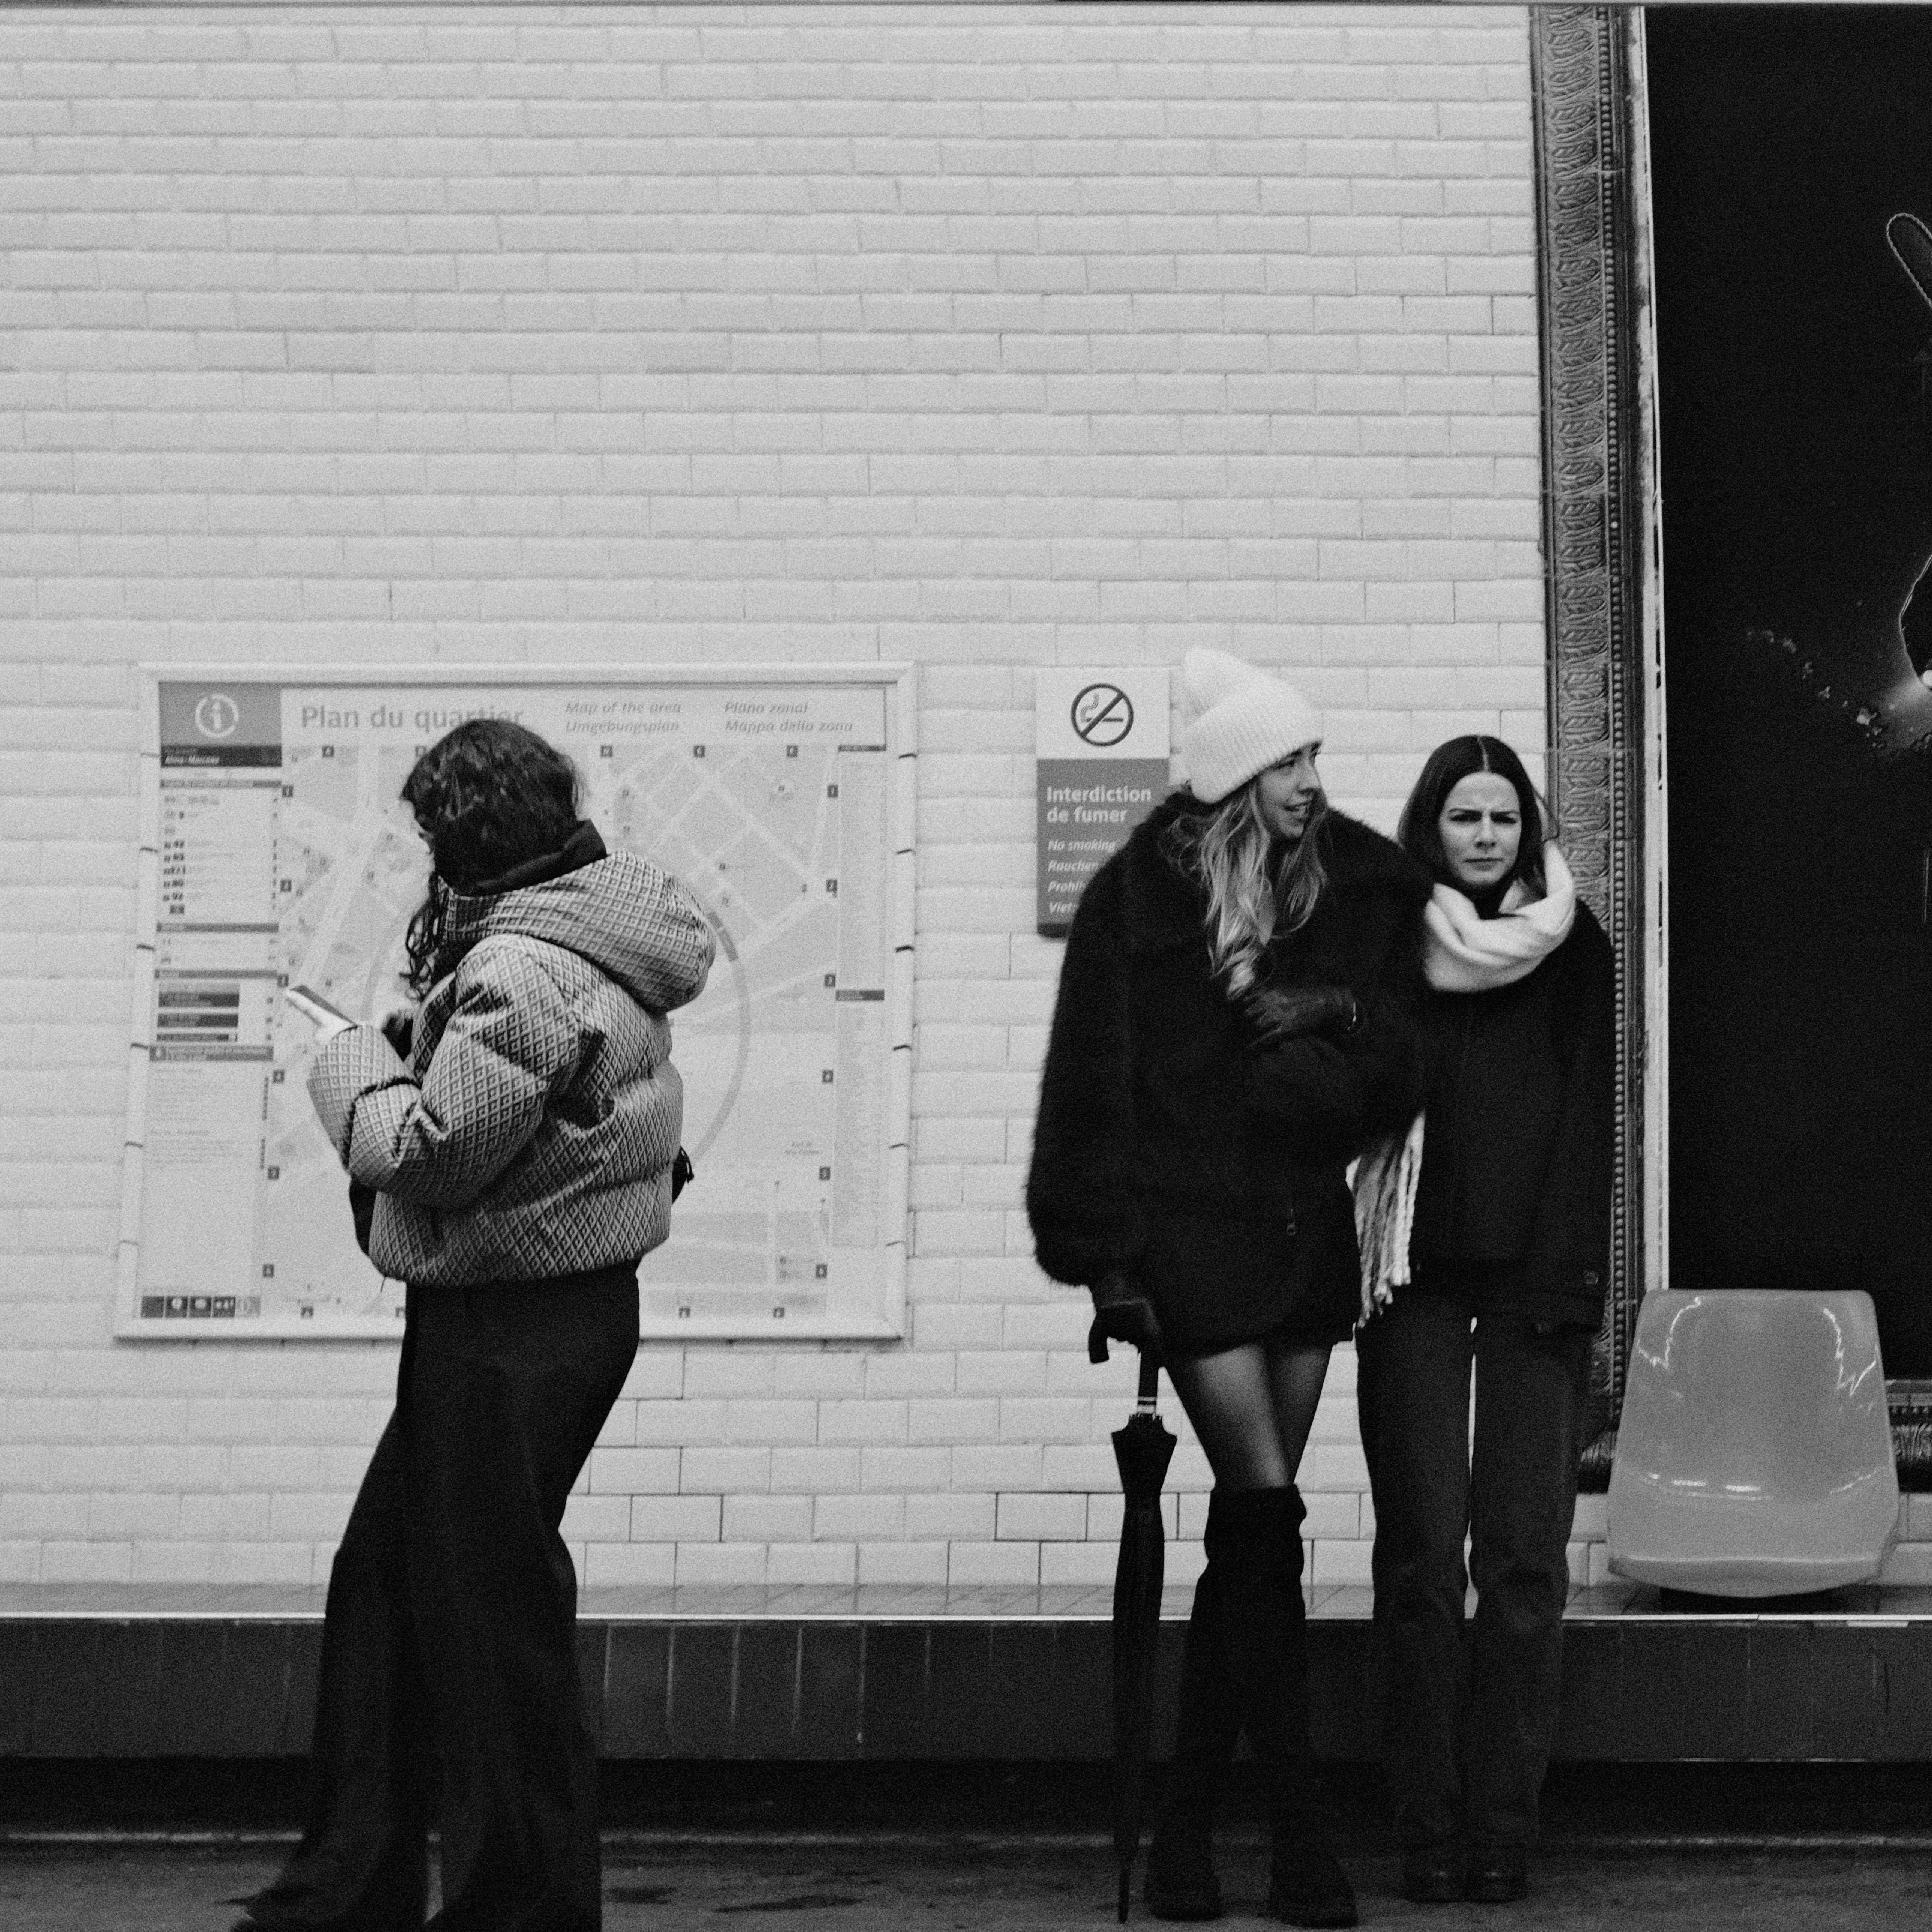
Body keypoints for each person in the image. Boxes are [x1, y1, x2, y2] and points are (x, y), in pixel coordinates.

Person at [240, 719, 714, 1932]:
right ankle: (355, 1882)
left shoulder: (521, 968)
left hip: (510, 1334)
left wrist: (342, 1058)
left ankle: (521, 1907)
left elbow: (431, 1154)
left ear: (463, 839)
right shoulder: (590, 937)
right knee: (391, 1585)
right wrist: (419, 1047)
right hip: (540, 1321)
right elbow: (543, 1120)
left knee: (491, 1620)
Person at [1028, 649, 1431, 1929]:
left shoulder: (1366, 884)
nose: (1311, 783)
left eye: (1313, 758)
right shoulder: (1138, 901)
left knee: (1252, 1542)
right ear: (1233, 778)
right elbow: (1088, 1089)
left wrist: (1337, 1025)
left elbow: (1416, 1051)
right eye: (1285, 764)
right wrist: (1104, 1260)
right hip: (1191, 1241)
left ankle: (1194, 1830)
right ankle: (1303, 1842)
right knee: (1264, 1511)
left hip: (1307, 1234)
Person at [1354, 735, 1614, 1906]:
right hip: (1409, 1274)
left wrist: (1567, 1290)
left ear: (1530, 829)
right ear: (1432, 827)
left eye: (1505, 818)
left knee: (1520, 1564)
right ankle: (1426, 1822)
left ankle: (1503, 1824)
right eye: (1466, 818)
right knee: (1419, 1559)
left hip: (1531, 1287)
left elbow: (1588, 1126)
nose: (1487, 837)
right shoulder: (1388, 937)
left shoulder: (1576, 946)